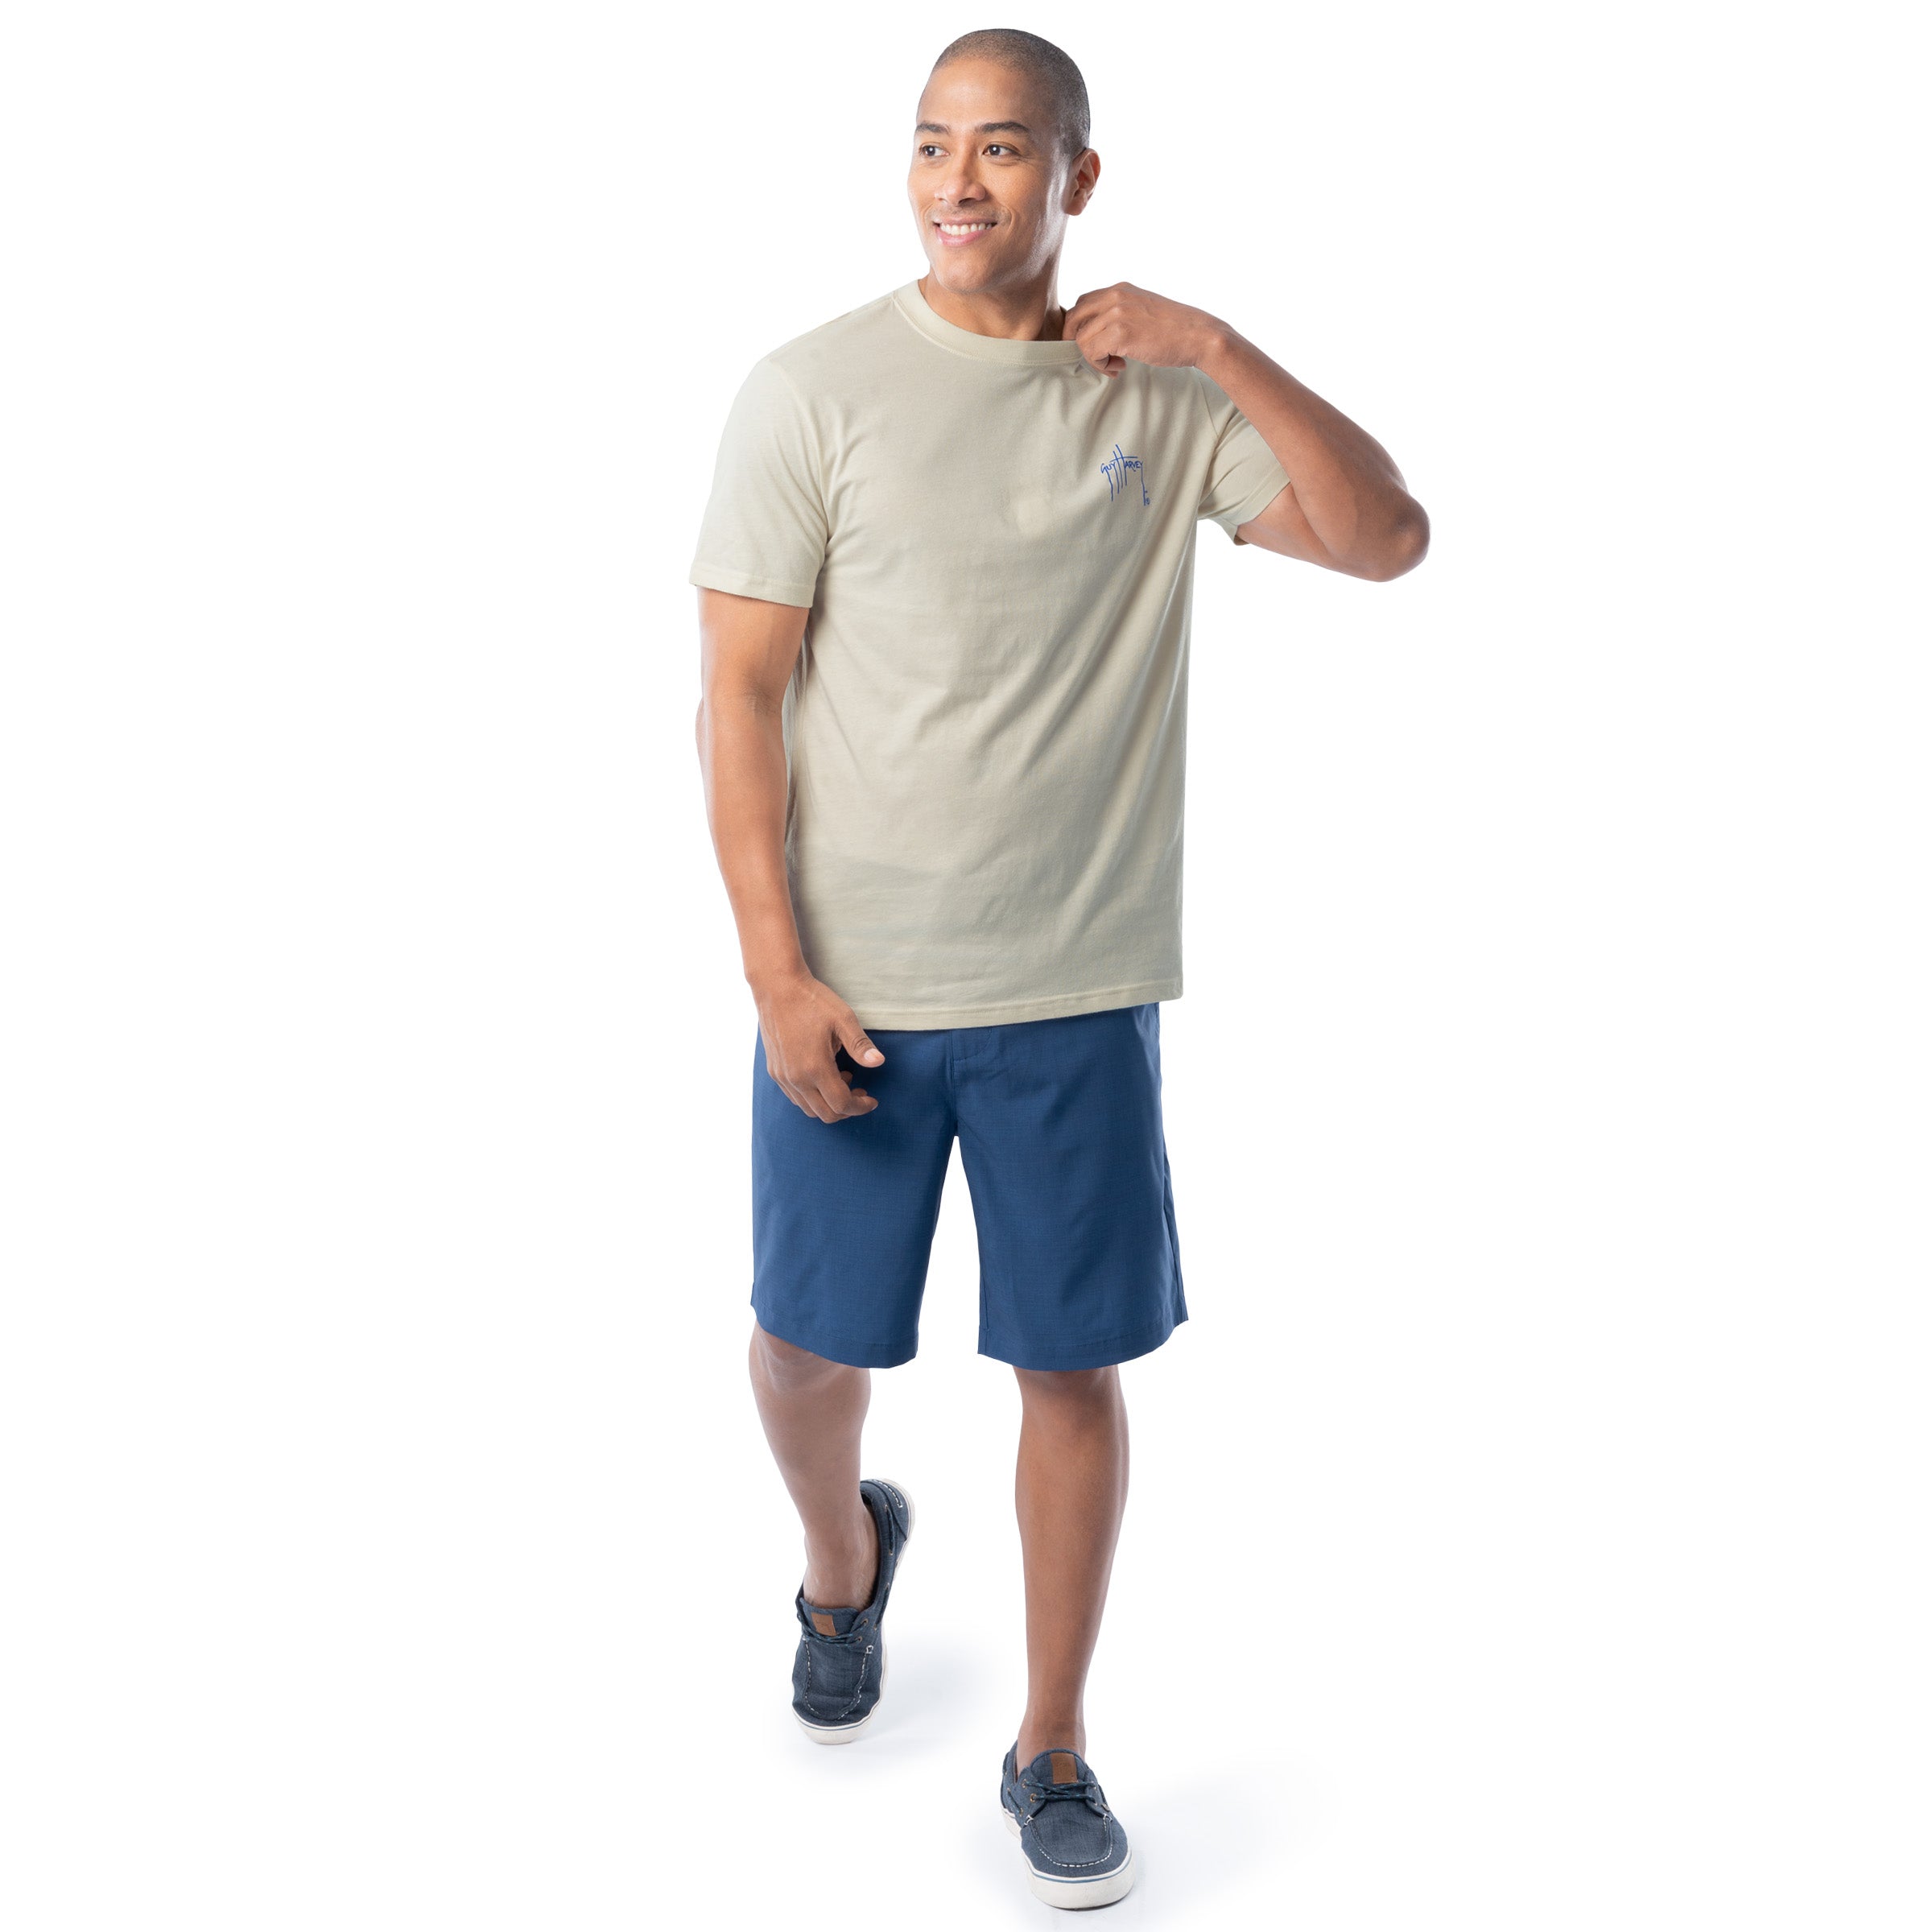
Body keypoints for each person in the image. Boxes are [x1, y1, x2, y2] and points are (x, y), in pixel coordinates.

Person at [690, 27, 1426, 1909]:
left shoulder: (1154, 398)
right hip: (850, 986)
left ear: (1077, 178)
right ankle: (845, 1562)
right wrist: (777, 975)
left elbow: (1388, 539)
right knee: (798, 1352)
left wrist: (1218, 349)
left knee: (1070, 1368)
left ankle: (1055, 1744)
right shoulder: (811, 390)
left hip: (1076, 992)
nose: (960, 182)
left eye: (1004, 149)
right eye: (933, 146)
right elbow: (741, 704)